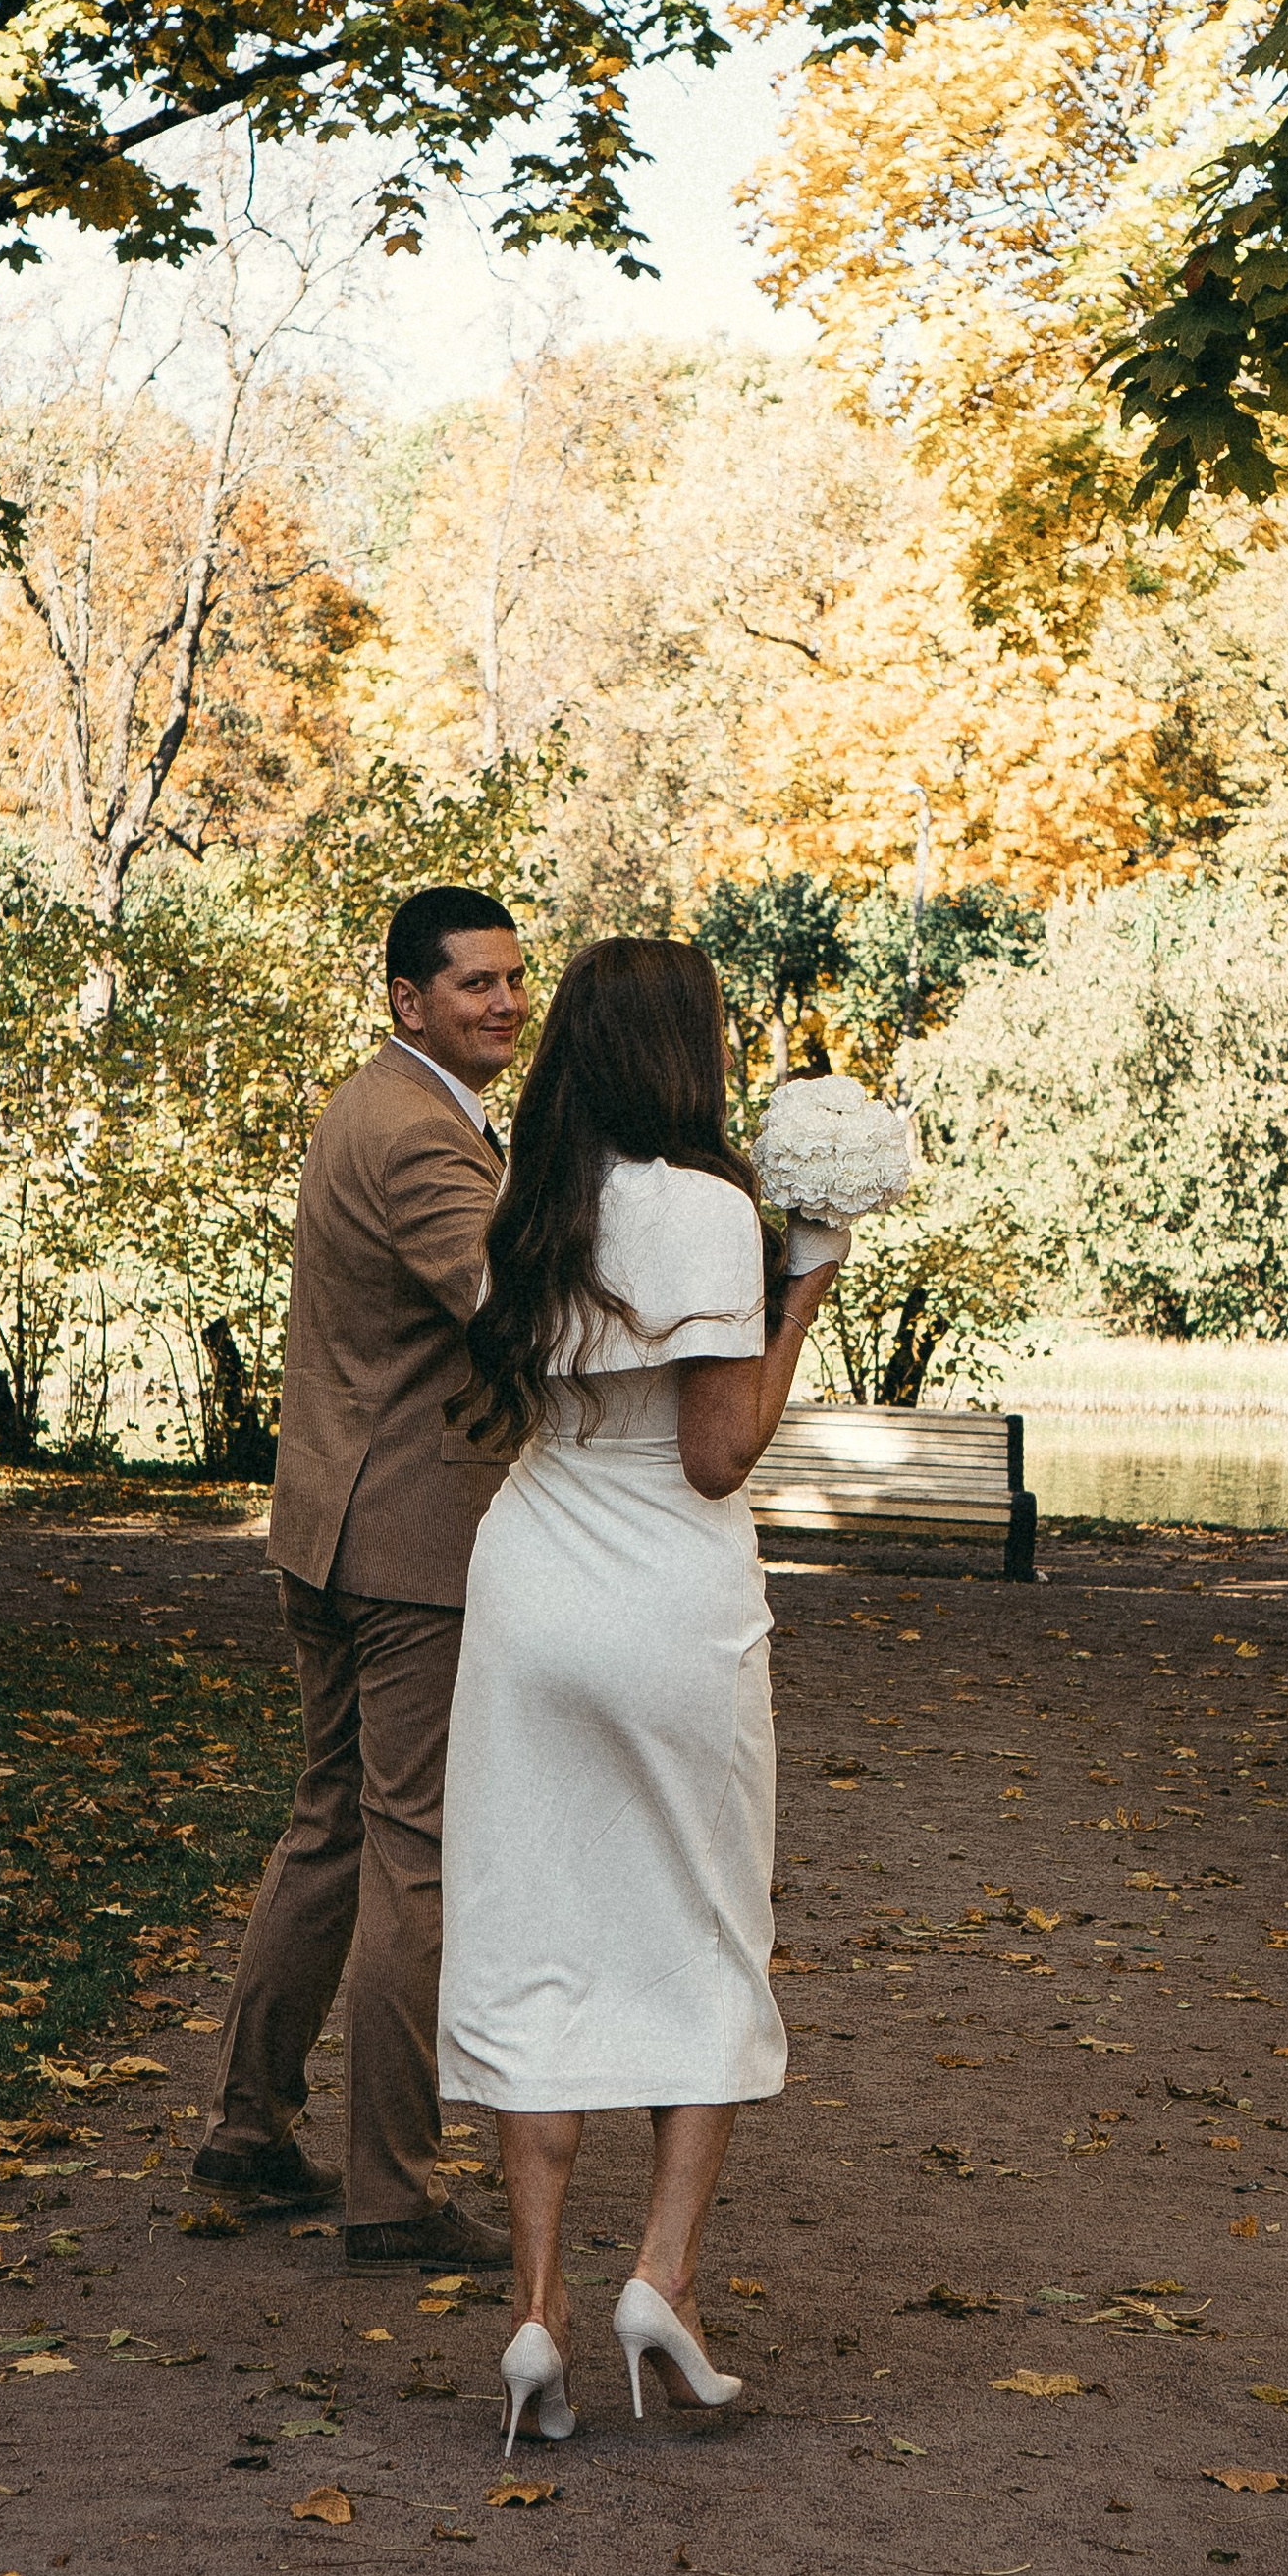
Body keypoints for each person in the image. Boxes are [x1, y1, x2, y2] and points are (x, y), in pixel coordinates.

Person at [436, 935, 842, 2448]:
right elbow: (718, 1448)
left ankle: (533, 2310)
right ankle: (660, 2279)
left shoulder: (531, 1209)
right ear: (688, 1050)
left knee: (535, 1921)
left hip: (534, 1573)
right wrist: (806, 1281)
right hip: (669, 1591)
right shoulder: (708, 1213)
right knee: (700, 1922)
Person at [194, 885, 528, 2270]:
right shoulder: (419, 1138)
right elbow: (514, 1316)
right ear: (408, 1000)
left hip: (331, 1524)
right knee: (414, 1860)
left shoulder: (373, 1107)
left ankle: (247, 2134)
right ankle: (392, 2191)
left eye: (516, 980)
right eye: (474, 986)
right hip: (410, 1549)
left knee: (330, 1829)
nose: (505, 1003)